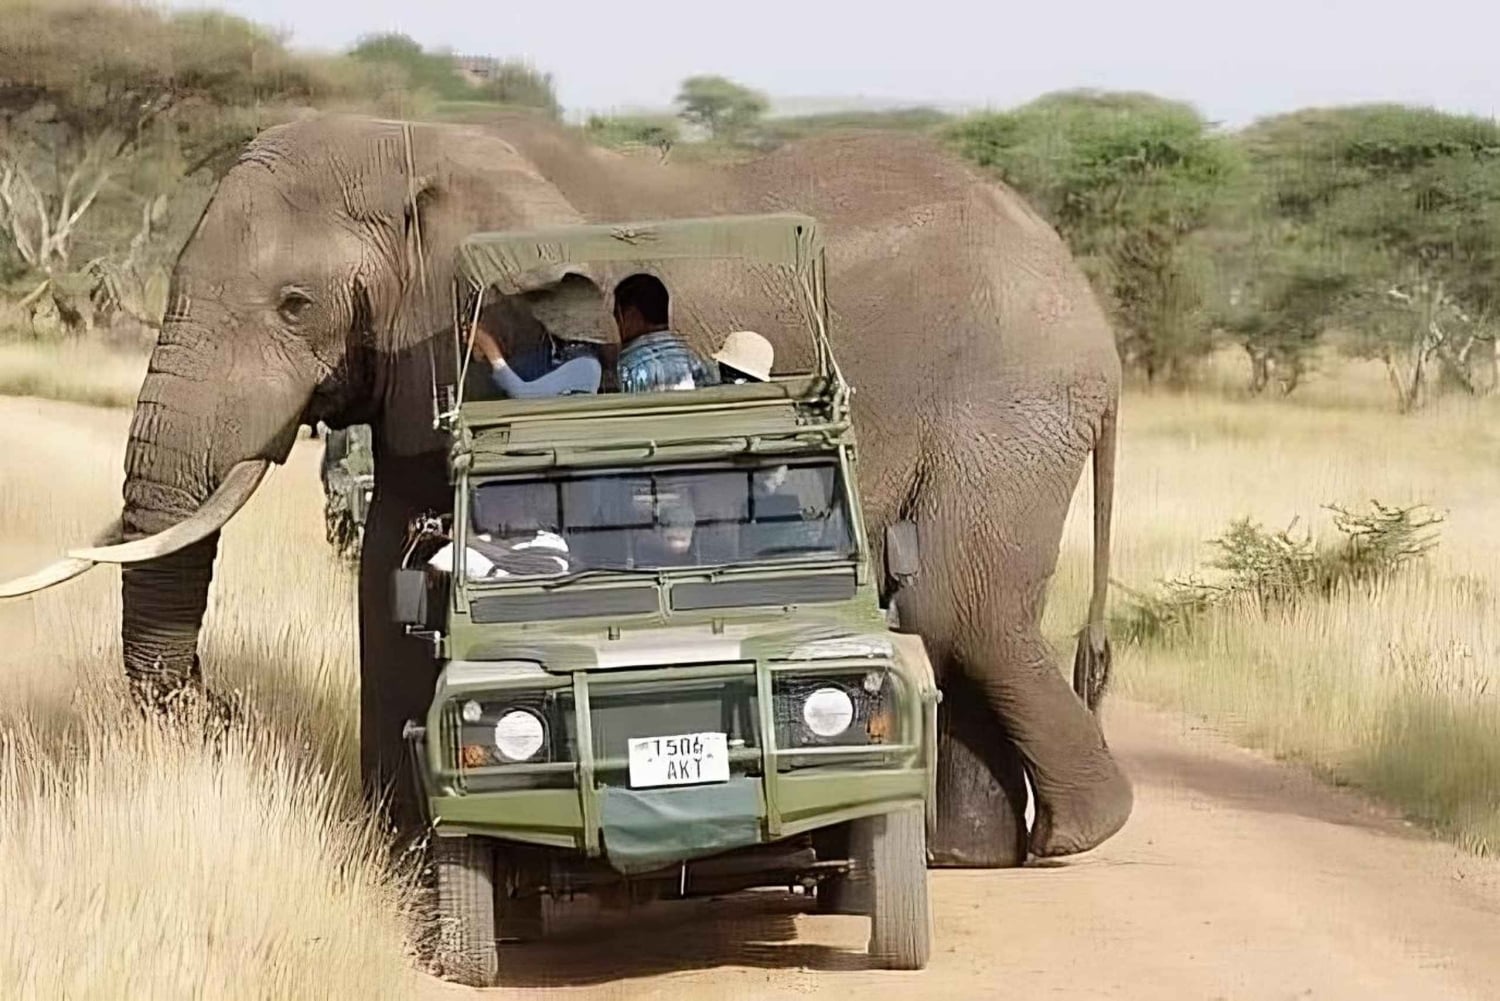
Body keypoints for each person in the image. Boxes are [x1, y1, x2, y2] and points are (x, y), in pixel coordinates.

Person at [470, 270, 608, 398]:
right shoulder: (550, 351)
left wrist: (489, 347)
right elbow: (515, 369)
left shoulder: (586, 365)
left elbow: (523, 393)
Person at [612, 272, 719, 393]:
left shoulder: (630, 366)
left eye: (617, 315)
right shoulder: (696, 358)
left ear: (630, 314)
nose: (617, 325)